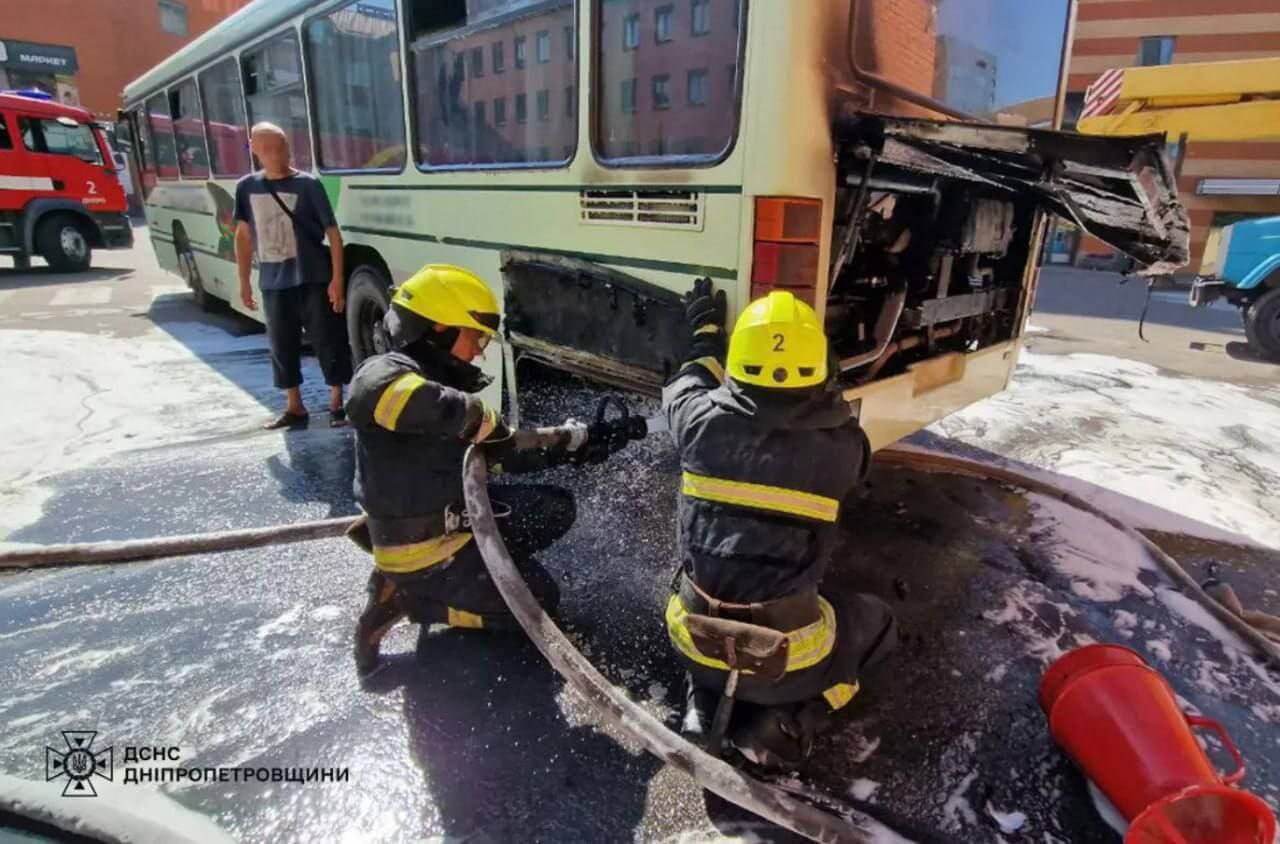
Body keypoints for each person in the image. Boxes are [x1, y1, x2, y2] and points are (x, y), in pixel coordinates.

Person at [346, 264, 638, 675]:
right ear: (438, 329)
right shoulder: (385, 374)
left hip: (453, 521)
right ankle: (411, 598)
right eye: (475, 337)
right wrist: (472, 413)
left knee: (554, 508)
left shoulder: (434, 385)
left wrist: (580, 444)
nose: (480, 351)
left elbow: (503, 452)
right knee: (537, 605)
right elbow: (370, 395)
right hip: (424, 550)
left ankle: (477, 575)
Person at [662, 280, 898, 768]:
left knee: (696, 590)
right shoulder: (843, 448)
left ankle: (700, 704)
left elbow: (689, 377)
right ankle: (790, 720)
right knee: (878, 624)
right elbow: (837, 419)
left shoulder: (694, 420)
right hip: (787, 657)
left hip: (693, 641)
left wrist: (705, 331)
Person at [233, 122, 352, 429]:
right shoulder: (246, 187)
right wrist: (244, 280)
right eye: (269, 149)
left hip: (313, 277)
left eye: (281, 147)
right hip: (273, 281)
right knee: (281, 344)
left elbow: (333, 234)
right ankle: (294, 406)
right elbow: (244, 236)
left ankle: (337, 401)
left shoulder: (308, 185)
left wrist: (337, 280)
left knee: (328, 339)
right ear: (254, 149)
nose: (277, 155)